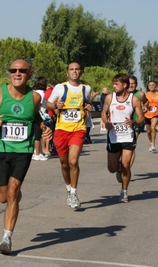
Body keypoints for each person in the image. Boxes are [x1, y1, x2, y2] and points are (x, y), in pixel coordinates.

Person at [0, 59, 52, 255]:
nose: (17, 73)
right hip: (1, 149)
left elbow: (35, 117)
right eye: (13, 70)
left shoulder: (34, 98)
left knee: (12, 191)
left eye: (22, 71)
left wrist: (43, 128)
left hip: (23, 152)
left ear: (29, 74)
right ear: (9, 73)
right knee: (4, 197)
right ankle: (13, 197)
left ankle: (6, 238)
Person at [46, 62, 93, 209]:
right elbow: (48, 104)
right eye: (71, 69)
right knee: (64, 163)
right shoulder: (61, 88)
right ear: (67, 73)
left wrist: (89, 107)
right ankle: (68, 186)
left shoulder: (86, 89)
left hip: (78, 129)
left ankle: (73, 193)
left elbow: (87, 104)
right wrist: (55, 106)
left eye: (77, 69)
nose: (74, 72)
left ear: (81, 72)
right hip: (61, 130)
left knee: (73, 161)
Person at [101, 74, 144, 203]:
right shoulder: (110, 98)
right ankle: (118, 169)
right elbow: (104, 112)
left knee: (126, 164)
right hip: (114, 136)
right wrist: (106, 122)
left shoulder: (134, 100)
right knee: (112, 168)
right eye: (113, 83)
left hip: (128, 136)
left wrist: (134, 122)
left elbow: (141, 118)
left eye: (116, 84)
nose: (113, 86)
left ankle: (124, 192)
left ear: (124, 85)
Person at [127, 76, 148, 170]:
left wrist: (144, 106)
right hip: (123, 123)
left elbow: (146, 102)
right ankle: (122, 162)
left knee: (131, 146)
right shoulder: (121, 94)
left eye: (133, 83)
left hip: (136, 122)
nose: (131, 85)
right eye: (129, 83)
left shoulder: (140, 94)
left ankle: (127, 169)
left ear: (136, 84)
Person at [145, 80, 158, 152]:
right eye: (150, 85)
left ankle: (153, 143)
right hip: (147, 114)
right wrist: (143, 107)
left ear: (155, 86)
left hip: (155, 114)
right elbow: (142, 102)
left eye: (153, 85)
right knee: (148, 131)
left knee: (153, 128)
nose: (151, 86)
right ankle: (150, 142)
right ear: (148, 86)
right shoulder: (146, 94)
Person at [32, 76, 49, 161]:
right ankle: (37, 154)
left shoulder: (34, 92)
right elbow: (38, 105)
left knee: (37, 135)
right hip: (39, 116)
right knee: (38, 136)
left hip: (35, 115)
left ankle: (38, 152)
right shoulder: (41, 93)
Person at [44, 80, 59, 154]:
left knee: (46, 133)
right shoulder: (51, 92)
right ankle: (50, 149)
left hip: (46, 114)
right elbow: (52, 104)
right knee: (51, 133)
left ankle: (47, 148)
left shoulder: (46, 91)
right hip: (50, 114)